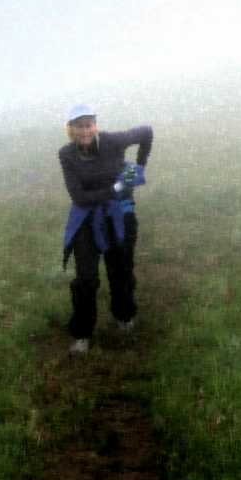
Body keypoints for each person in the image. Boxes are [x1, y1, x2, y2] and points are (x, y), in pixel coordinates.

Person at [59, 104, 153, 354]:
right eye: (79, 126)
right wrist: (114, 189)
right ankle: (82, 334)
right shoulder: (66, 154)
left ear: (95, 125)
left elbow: (146, 132)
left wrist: (139, 167)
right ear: (71, 130)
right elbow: (79, 196)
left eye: (89, 124)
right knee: (86, 278)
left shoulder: (112, 141)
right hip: (86, 218)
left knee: (120, 268)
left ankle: (124, 315)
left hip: (118, 214)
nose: (85, 130)